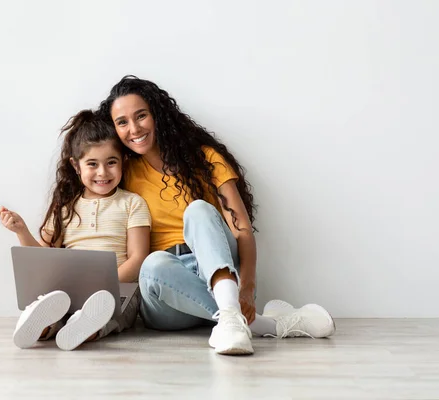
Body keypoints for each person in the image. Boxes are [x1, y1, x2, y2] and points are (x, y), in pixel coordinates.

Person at [98, 76, 335, 355]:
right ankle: (265, 325)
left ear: (158, 115)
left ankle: (231, 315)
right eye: (122, 122)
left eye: (141, 116)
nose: (134, 129)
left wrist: (246, 288)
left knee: (198, 209)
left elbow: (241, 230)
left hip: (219, 273)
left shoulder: (205, 159)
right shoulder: (122, 172)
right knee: (152, 264)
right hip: (167, 297)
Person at [0, 109, 151, 351]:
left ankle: (85, 328)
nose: (103, 172)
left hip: (117, 291)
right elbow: (43, 259)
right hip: (67, 292)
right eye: (92, 164)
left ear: (123, 161)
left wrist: (103, 286)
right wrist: (22, 231)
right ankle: (43, 325)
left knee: (109, 310)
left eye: (111, 162)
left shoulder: (132, 203)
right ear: (76, 166)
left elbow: (138, 258)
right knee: (56, 301)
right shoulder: (66, 208)